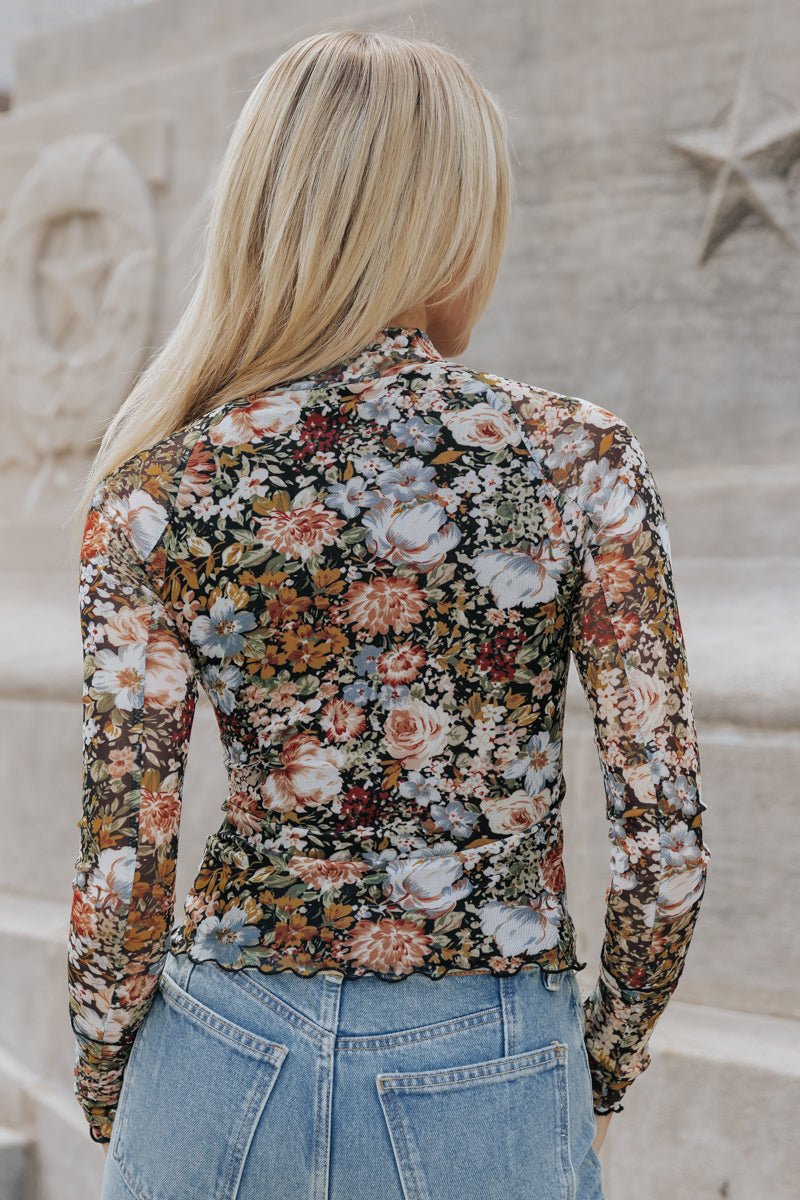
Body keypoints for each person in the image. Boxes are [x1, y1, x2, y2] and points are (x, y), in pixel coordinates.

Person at [67, 28, 710, 1200]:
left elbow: (124, 863)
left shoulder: (157, 486)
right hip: (487, 1054)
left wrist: (116, 1080)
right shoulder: (575, 459)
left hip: (215, 1054)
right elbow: (662, 852)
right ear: (447, 220)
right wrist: (598, 1066)